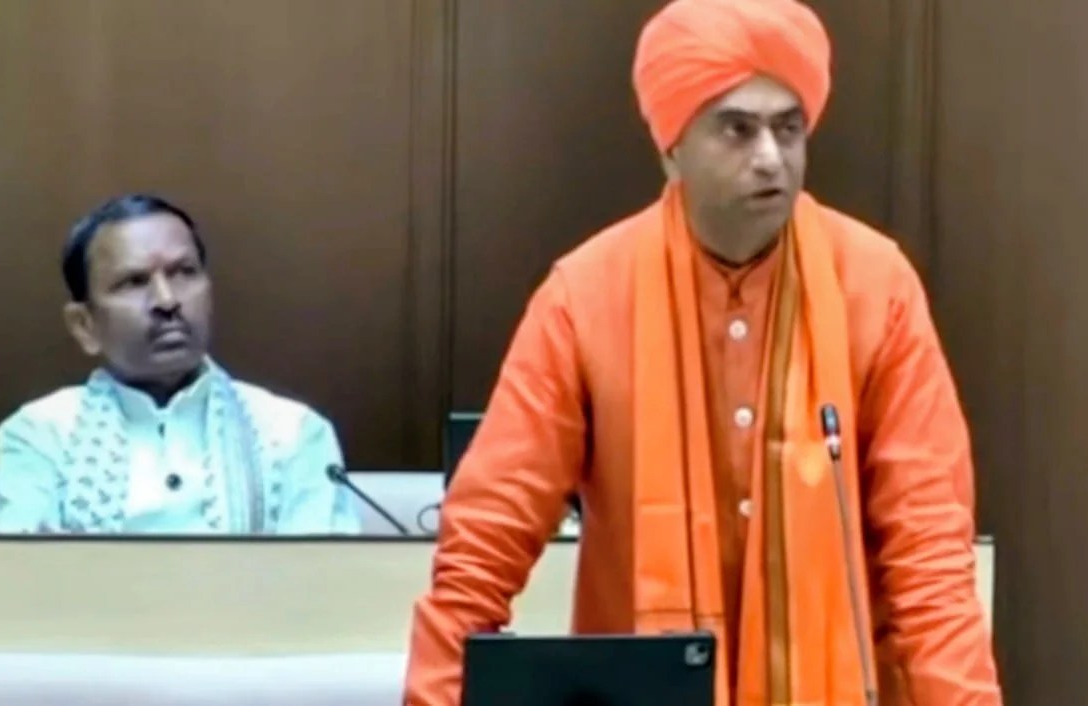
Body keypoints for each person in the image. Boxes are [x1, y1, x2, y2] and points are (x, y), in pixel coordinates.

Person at [405, 0, 1002, 703]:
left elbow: (930, 558)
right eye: (737, 129)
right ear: (671, 148)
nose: (771, 157)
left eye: (788, 128)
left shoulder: (878, 288)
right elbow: (481, 551)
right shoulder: (583, 298)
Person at [0, 193, 362, 535]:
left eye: (184, 272)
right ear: (84, 325)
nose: (167, 300)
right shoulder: (39, 434)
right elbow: (24, 575)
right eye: (134, 281)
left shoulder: (295, 432)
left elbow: (322, 577)